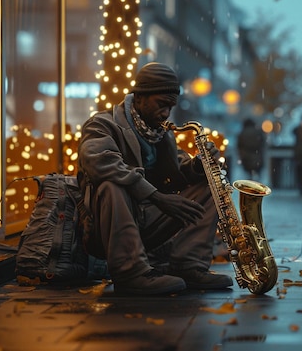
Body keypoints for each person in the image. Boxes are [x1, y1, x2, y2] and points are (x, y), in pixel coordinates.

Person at [77, 62, 233, 295]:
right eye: (161, 105)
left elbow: (177, 171)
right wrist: (157, 197)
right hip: (107, 227)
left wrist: (198, 166)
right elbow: (101, 164)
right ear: (139, 97)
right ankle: (131, 273)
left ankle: (188, 266)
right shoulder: (103, 124)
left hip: (146, 220)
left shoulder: (160, 131)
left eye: (170, 107)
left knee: (209, 180)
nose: (165, 113)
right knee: (112, 185)